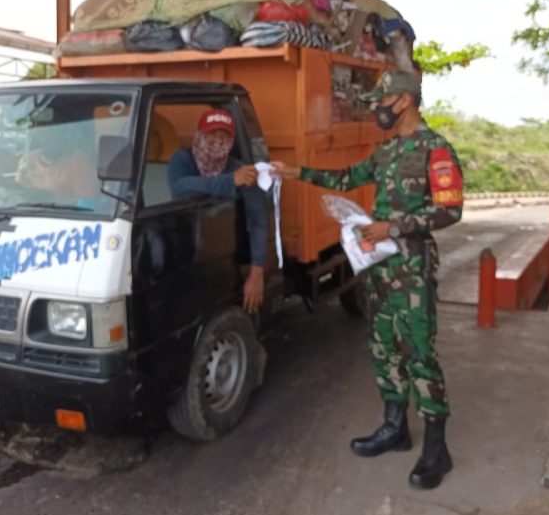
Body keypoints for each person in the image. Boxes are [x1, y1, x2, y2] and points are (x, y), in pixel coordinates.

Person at [273, 70, 463, 490]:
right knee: (383, 348)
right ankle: (394, 428)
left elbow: (450, 210)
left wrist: (392, 227)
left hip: (412, 268)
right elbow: (345, 178)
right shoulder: (388, 151)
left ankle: (437, 449)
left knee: (419, 352)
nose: (377, 108)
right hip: (378, 269)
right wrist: (294, 171)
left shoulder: (436, 150)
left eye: (382, 101)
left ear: (403, 101)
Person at [168, 109, 268, 313]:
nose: (217, 141)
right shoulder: (182, 160)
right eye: (211, 135)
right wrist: (229, 181)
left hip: (224, 260)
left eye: (224, 136)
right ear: (199, 135)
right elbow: (179, 186)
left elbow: (258, 220)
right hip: (183, 254)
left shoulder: (240, 170)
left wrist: (257, 272)